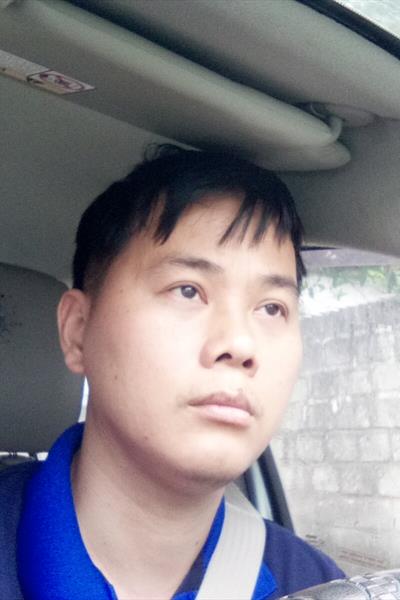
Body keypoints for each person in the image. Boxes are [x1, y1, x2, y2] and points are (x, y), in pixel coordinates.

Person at [1, 145, 344, 599]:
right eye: (187, 290)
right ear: (78, 329)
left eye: (271, 308)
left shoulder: (321, 586)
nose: (240, 345)